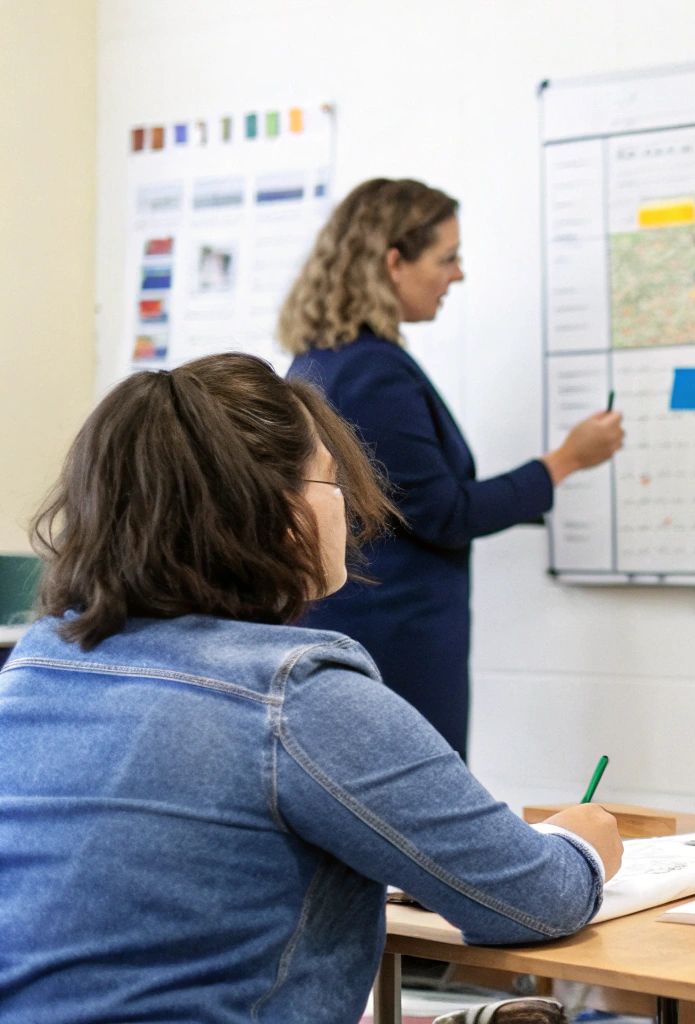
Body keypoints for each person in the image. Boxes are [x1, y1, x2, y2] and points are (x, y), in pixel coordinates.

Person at [0, 353, 624, 1023]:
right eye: (331, 481)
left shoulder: (35, 665)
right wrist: (582, 843)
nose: (350, 511)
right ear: (279, 512)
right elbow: (531, 899)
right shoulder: (296, 693)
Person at [278, 178, 623, 759]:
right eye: (447, 257)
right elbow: (444, 513)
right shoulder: (372, 372)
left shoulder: (323, 359)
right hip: (394, 642)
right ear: (394, 262)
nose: (457, 274)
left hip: (360, 630)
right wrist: (567, 460)